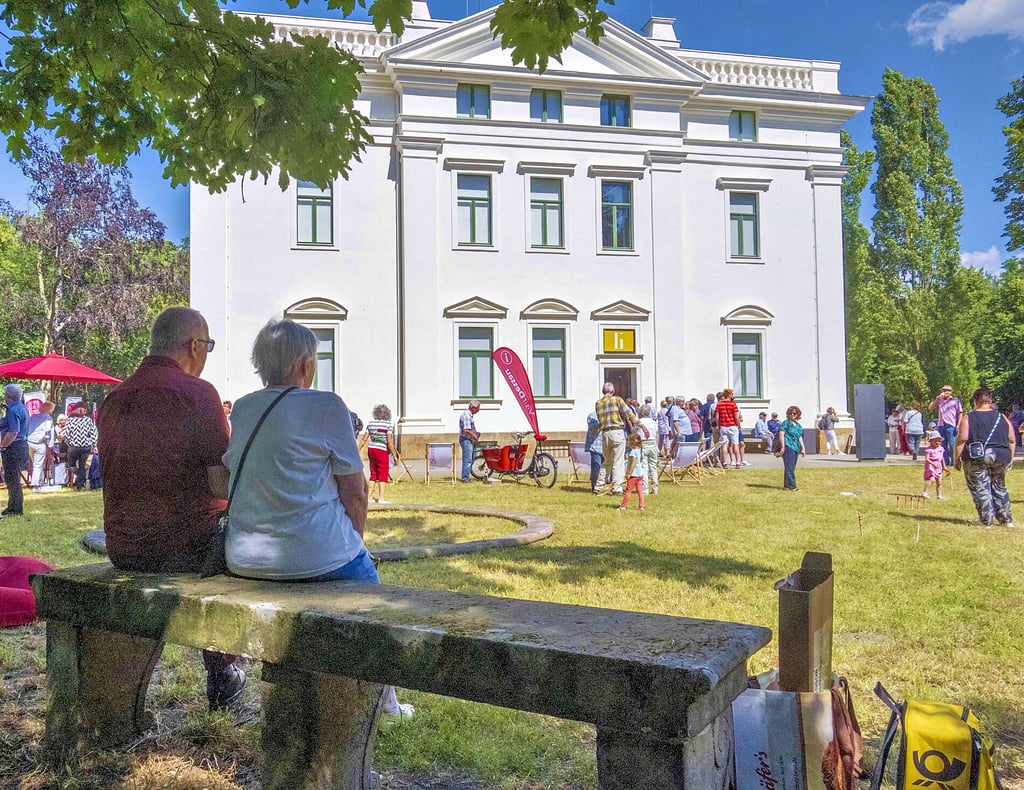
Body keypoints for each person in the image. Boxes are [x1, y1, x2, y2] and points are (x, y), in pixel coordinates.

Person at [224, 318, 412, 719]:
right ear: (305, 365)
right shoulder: (327, 406)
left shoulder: (243, 408)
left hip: (244, 560)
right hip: (317, 559)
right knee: (372, 599)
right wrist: (355, 545)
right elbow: (356, 492)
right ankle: (386, 703)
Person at [98, 306, 246, 712]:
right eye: (208, 346)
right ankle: (224, 671)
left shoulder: (114, 398)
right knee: (248, 537)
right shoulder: (198, 393)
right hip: (185, 548)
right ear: (195, 346)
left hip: (122, 548)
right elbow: (222, 485)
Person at [954, 387, 1015, 529]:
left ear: (975, 401)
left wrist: (957, 458)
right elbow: (1011, 439)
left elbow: (962, 439)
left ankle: (986, 520)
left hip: (977, 457)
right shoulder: (1002, 417)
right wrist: (1010, 458)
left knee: (980, 487)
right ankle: (1006, 520)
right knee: (999, 486)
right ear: (990, 400)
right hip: (1001, 456)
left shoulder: (968, 418)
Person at [594, 382, 635, 495]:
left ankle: (598, 486)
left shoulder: (598, 403)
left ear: (603, 391)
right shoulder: (617, 399)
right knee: (618, 461)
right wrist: (640, 425)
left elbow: (600, 420)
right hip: (617, 431)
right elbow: (629, 413)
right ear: (613, 391)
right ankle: (617, 488)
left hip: (605, 433)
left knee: (606, 461)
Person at [0, 384, 30, 517]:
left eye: (5, 394)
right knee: (13, 478)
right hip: (22, 445)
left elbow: (13, 432)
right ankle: (12, 506)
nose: (4, 397)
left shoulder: (13, 410)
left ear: (9, 395)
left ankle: (15, 509)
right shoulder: (22, 407)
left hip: (14, 447)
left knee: (12, 479)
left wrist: (3, 445)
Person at [362, 404, 401, 504]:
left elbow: (364, 439)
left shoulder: (370, 423)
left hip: (371, 449)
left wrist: (357, 449)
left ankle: (369, 497)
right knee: (383, 474)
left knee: (373, 473)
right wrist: (394, 455)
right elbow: (389, 441)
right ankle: (381, 498)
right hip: (382, 450)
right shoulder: (388, 425)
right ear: (387, 414)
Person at [64, 404, 99, 490]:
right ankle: (80, 484)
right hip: (86, 446)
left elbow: (66, 435)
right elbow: (93, 433)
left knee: (71, 465)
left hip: (74, 447)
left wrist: (70, 443)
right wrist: (93, 444)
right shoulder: (88, 420)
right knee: (82, 466)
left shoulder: (70, 420)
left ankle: (79, 482)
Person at [929, 385, 963, 467]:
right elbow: (930, 407)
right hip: (941, 425)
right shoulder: (940, 400)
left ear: (951, 392)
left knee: (952, 444)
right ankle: (946, 462)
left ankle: (954, 461)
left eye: (947, 390)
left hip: (951, 425)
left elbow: (960, 413)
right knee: (942, 444)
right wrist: (937, 399)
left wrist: (959, 425)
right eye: (944, 390)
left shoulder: (955, 401)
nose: (945, 392)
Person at [26, 401, 55, 487]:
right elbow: (48, 432)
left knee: (34, 462)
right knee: (38, 464)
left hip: (29, 442)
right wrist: (50, 445)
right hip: (40, 443)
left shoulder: (33, 417)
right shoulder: (48, 419)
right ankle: (36, 483)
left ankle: (39, 480)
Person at [617, 432, 647, 512]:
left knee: (628, 490)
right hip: (640, 474)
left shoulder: (633, 452)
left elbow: (633, 463)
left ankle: (623, 506)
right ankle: (641, 506)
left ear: (632, 442)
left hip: (634, 474)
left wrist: (629, 473)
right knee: (640, 491)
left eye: (629, 441)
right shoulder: (640, 450)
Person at [779, 406, 806, 491]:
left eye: (794, 413)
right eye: (790, 413)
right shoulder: (786, 423)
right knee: (789, 467)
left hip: (796, 447)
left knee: (790, 467)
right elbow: (781, 434)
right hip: (788, 446)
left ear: (797, 414)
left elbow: (799, 437)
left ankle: (786, 485)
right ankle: (793, 486)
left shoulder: (798, 426)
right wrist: (783, 446)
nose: (792, 415)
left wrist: (803, 448)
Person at [715, 388, 743, 468]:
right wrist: (738, 425)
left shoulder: (719, 404)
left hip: (723, 426)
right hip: (732, 425)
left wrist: (719, 425)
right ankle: (738, 463)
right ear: (730, 394)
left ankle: (724, 463)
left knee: (724, 445)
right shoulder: (733, 404)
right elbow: (736, 417)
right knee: (735, 444)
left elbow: (717, 417)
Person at [637, 404, 659, 496]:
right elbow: (656, 433)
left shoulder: (639, 422)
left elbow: (636, 433)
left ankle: (645, 489)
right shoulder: (653, 422)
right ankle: (655, 489)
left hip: (643, 444)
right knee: (653, 467)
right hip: (653, 444)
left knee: (644, 468)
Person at [458, 400, 481, 483]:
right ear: (473, 407)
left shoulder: (469, 415)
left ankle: (466, 477)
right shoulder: (467, 416)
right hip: (466, 440)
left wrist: (476, 433)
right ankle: (465, 479)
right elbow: (466, 430)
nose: (478, 410)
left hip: (468, 439)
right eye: (478, 408)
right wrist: (474, 435)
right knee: (467, 460)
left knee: (470, 459)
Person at [921, 430, 946, 500]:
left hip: (938, 467)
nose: (937, 442)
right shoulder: (929, 450)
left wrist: (944, 466)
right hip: (931, 467)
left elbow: (942, 458)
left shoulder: (941, 449)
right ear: (931, 441)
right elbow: (927, 459)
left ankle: (939, 495)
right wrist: (933, 464)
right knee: (932, 480)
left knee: (939, 482)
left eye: (939, 441)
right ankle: (924, 492)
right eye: (935, 441)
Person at [585, 410, 604, 493]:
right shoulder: (592, 416)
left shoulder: (609, 415)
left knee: (603, 469)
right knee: (596, 467)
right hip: (596, 445)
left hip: (606, 446)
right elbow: (593, 430)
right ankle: (595, 487)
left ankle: (601, 486)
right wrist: (602, 423)